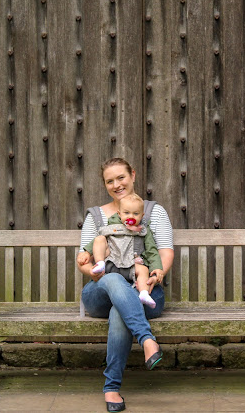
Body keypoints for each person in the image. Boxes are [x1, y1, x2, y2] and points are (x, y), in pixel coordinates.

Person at [77, 158, 174, 412]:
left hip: (145, 290)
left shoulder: (153, 212)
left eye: (121, 177)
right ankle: (147, 339)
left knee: (120, 309)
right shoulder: (97, 216)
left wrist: (154, 277)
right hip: (101, 291)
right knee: (113, 279)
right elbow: (85, 259)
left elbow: (163, 253)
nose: (117, 184)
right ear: (105, 185)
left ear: (133, 175)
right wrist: (94, 271)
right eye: (110, 181)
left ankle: (111, 389)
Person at [83, 193, 163, 309]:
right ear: (119, 214)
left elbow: (152, 251)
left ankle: (144, 293)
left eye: (136, 214)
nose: (131, 216)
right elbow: (96, 242)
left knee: (144, 270)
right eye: (126, 213)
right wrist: (86, 252)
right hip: (111, 264)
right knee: (100, 239)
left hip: (131, 265)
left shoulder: (143, 231)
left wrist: (157, 268)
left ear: (142, 215)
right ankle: (100, 263)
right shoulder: (112, 227)